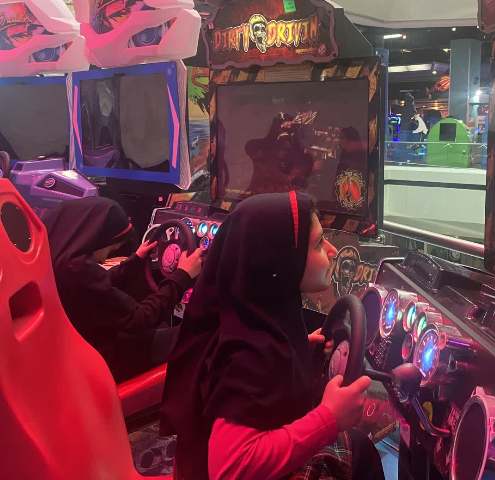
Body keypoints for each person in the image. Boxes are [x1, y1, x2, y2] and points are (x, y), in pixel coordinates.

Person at [160, 191, 385, 480]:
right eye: (318, 243)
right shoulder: (252, 355)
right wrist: (329, 417)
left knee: (357, 445)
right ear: (280, 261)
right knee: (358, 448)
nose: (332, 251)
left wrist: (296, 352)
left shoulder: (247, 320)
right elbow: (230, 468)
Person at [43, 196, 203, 381]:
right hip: (104, 361)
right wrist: (182, 276)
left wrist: (136, 260)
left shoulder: (57, 259)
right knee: (196, 336)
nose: (107, 255)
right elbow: (140, 318)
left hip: (77, 350)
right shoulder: (77, 271)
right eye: (113, 248)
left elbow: (99, 288)